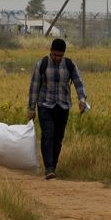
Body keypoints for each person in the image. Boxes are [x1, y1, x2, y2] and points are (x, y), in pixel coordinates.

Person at [27, 38, 88, 180]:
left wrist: (82, 99)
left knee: (58, 138)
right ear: (50, 52)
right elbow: (34, 87)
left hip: (63, 106)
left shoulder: (69, 65)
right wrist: (31, 108)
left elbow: (79, 83)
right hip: (45, 106)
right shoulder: (41, 64)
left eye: (60, 56)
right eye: (55, 55)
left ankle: (53, 166)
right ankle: (48, 168)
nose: (57, 58)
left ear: (64, 54)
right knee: (48, 135)